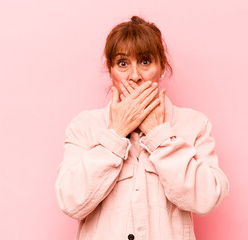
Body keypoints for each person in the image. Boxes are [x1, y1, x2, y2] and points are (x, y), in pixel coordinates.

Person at [55, 15, 230, 240]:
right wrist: (115, 134)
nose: (135, 76)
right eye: (123, 63)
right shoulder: (85, 126)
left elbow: (208, 198)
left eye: (145, 61)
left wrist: (159, 135)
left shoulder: (194, 124)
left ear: (162, 67)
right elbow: (70, 201)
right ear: (110, 71)